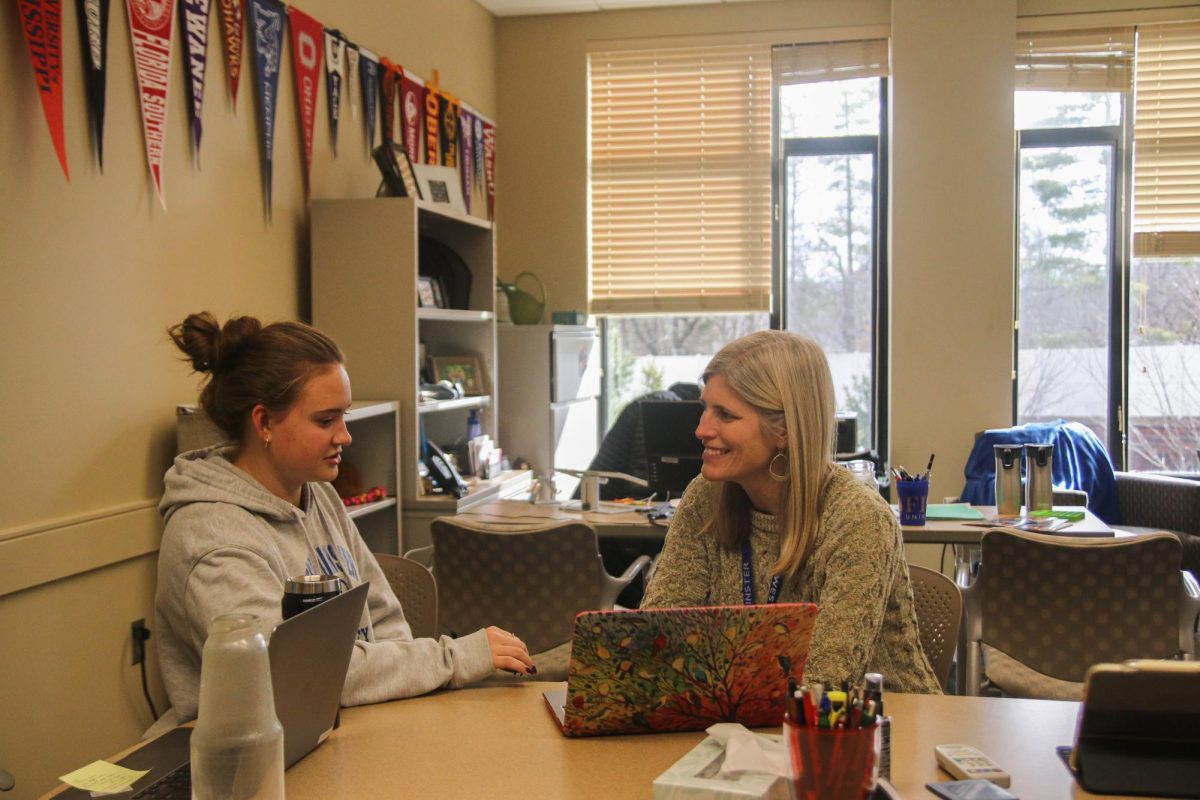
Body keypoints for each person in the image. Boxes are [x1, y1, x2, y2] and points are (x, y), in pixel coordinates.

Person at [156, 312, 533, 722]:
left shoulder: (317, 494)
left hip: (342, 726)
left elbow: (384, 618)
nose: (345, 437)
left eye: (344, 416)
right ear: (264, 422)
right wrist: (453, 659)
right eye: (325, 420)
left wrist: (404, 687)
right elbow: (296, 675)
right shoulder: (211, 538)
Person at [640, 331, 942, 694]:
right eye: (704, 409)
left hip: (881, 730)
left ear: (783, 429)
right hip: (751, 723)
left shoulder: (858, 519)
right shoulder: (705, 497)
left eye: (725, 415)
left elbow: (824, 682)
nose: (701, 429)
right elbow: (657, 645)